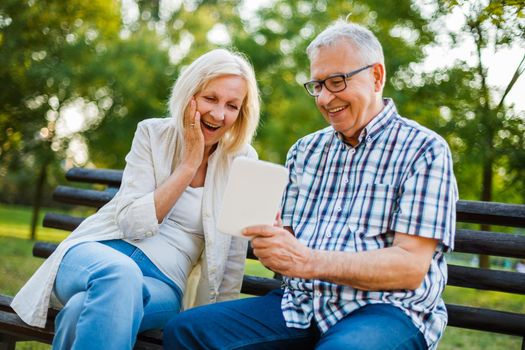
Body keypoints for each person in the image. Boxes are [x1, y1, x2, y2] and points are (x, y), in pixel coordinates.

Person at [163, 20, 458, 350]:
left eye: (336, 82)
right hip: (300, 306)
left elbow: (410, 267)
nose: (325, 98)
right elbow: (290, 245)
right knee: (187, 330)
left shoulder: (424, 149)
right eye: (317, 85)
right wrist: (274, 243)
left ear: (376, 77)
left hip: (386, 310)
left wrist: (307, 261)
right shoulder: (305, 151)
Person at [11, 48, 261, 350]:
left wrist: (216, 328)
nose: (219, 114)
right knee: (120, 273)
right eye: (210, 98)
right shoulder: (151, 134)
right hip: (97, 254)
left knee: (80, 311)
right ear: (190, 94)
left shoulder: (246, 163)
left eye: (232, 106)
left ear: (242, 112)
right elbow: (131, 224)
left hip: (163, 285)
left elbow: (232, 262)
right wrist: (188, 165)